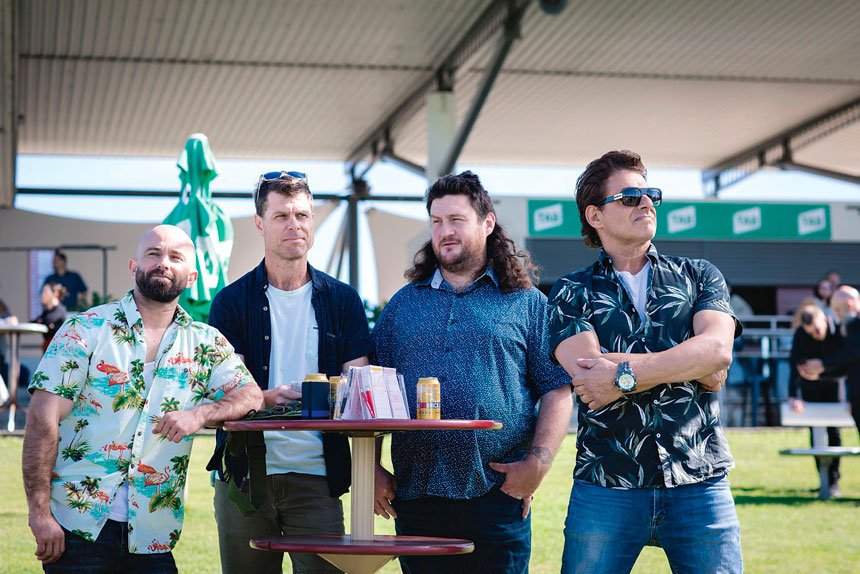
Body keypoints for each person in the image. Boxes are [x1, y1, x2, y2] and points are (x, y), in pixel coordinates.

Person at [22, 225, 262, 572]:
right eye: (154, 253)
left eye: (175, 257)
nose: (164, 262)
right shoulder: (85, 329)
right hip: (77, 528)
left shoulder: (206, 343)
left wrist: (200, 414)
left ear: (191, 277)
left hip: (153, 534)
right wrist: (39, 514)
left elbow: (251, 396)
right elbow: (42, 419)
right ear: (134, 266)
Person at [547, 150, 742, 574]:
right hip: (607, 484)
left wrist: (622, 373)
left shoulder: (700, 275)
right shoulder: (569, 291)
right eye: (630, 196)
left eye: (651, 193)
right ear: (595, 216)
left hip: (699, 478)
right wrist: (686, 361)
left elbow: (717, 354)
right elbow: (588, 377)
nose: (646, 202)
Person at [372, 171, 571, 574]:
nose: (444, 231)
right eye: (436, 222)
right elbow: (373, 390)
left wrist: (539, 463)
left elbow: (557, 388)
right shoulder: (402, 306)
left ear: (487, 223)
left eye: (456, 220)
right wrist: (372, 467)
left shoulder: (528, 304)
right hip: (417, 497)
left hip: (498, 496)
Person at [207, 171, 371, 574]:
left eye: (302, 214)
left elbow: (360, 391)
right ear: (260, 224)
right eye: (281, 216)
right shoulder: (230, 302)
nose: (294, 225)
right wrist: (263, 398)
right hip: (245, 476)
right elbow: (219, 393)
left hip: (317, 475)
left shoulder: (344, 301)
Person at [787, 301, 845, 496]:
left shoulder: (837, 331)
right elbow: (793, 364)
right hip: (810, 387)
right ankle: (823, 479)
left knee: (834, 433)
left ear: (824, 318)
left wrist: (822, 366)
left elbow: (845, 360)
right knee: (815, 432)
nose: (815, 335)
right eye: (811, 332)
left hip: (832, 384)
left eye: (818, 330)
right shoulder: (802, 334)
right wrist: (794, 395)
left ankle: (834, 479)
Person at [799, 286, 860, 441]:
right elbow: (849, 365)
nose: (838, 316)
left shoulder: (855, 325)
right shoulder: (850, 326)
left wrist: (823, 364)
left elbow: (851, 354)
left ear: (850, 304)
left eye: (839, 310)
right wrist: (820, 374)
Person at [33, 281, 68, 352]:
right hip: (48, 349)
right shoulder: (46, 312)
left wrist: (41, 321)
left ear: (55, 293)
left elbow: (48, 321)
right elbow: (36, 321)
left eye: (45, 292)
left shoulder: (60, 310)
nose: (42, 295)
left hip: (58, 350)